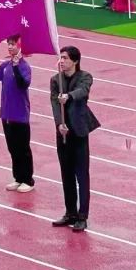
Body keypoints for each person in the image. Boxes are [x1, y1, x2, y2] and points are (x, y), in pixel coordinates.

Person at [50, 45, 98, 232]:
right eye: (61, 58)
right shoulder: (56, 80)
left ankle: (82, 216)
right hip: (63, 134)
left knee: (82, 176)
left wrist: (68, 96)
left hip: (79, 132)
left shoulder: (85, 77)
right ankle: (70, 212)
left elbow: (82, 91)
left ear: (75, 61)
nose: (61, 61)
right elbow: (55, 104)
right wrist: (59, 124)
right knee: (66, 174)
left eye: (65, 58)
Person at [0, 35, 34, 193]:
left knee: (23, 149)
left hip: (20, 115)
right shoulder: (5, 66)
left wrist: (16, 66)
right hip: (6, 114)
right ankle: (18, 178)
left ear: (20, 46)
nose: (10, 47)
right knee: (13, 148)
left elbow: (23, 84)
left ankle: (28, 180)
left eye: (13, 44)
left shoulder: (24, 67)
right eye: (8, 44)